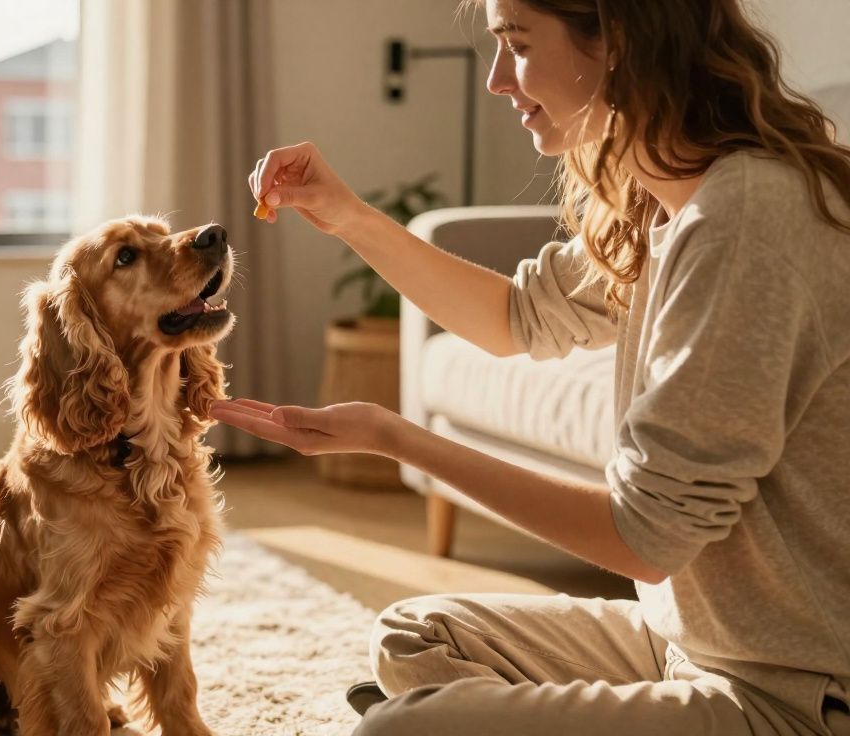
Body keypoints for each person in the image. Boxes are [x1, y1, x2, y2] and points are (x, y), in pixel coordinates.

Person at [212, 0, 850, 733]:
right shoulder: (664, 198)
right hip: (688, 642)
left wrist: (396, 439)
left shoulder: (746, 222)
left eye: (516, 44)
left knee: (398, 727)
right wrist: (347, 213)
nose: (496, 81)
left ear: (618, 42)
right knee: (414, 637)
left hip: (791, 691)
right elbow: (514, 317)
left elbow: (641, 538)